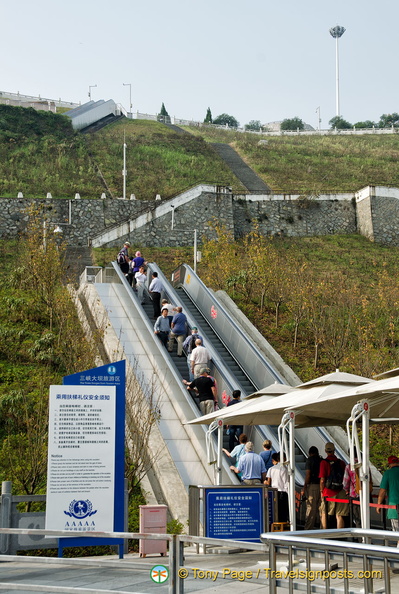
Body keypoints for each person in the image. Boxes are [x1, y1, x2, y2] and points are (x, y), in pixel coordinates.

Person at [319, 442, 348, 529]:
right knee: (339, 515)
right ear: (334, 451)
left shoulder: (324, 462)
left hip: (328, 492)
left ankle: (324, 534)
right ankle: (340, 536)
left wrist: (321, 491)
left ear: (325, 451)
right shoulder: (341, 463)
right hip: (340, 491)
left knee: (324, 513)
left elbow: (322, 479)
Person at [301, 446, 322, 530]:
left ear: (310, 453)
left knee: (311, 509)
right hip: (322, 487)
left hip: (313, 486)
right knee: (321, 509)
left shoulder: (310, 460)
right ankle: (322, 528)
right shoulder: (321, 460)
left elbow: (308, 475)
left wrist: (305, 487)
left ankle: (308, 529)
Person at [377, 455, 399, 534]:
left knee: (396, 532)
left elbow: (383, 491)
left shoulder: (388, 473)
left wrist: (379, 504)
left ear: (389, 464)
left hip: (394, 506)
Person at [265, 452, 289, 523]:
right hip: (283, 493)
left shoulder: (271, 469)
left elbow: (268, 482)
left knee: (275, 512)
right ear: (284, 458)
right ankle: (283, 527)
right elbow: (286, 483)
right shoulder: (284, 469)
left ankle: (275, 526)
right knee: (283, 513)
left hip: (273, 493)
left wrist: (264, 482)